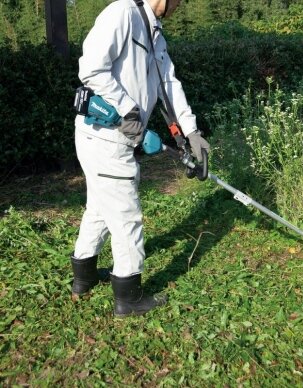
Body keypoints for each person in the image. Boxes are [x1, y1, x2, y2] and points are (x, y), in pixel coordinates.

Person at [71, 0, 210, 317]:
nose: (179, 6)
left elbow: (168, 84)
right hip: (106, 136)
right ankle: (129, 297)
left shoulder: (154, 31)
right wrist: (127, 110)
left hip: (114, 137)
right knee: (126, 216)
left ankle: (84, 276)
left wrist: (191, 132)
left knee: (100, 206)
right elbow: (91, 68)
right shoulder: (122, 13)